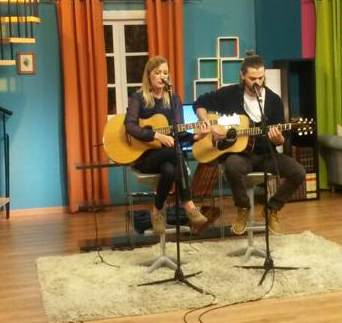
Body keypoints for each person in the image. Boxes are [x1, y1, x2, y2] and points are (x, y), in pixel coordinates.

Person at [193, 52, 305, 235]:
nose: (258, 83)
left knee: (298, 172)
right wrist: (209, 125)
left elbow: (282, 136)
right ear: (242, 75)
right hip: (242, 155)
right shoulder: (230, 94)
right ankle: (243, 208)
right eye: (253, 78)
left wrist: (279, 139)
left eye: (261, 78)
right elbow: (200, 103)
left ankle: (272, 208)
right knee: (232, 165)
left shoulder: (274, 100)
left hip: (267, 154)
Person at [125, 55, 210, 236]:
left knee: (170, 169)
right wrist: (156, 135)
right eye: (158, 73)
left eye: (165, 73)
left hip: (168, 155)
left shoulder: (173, 99)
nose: (162, 77)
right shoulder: (138, 98)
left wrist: (198, 136)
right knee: (174, 152)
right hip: (144, 156)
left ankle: (156, 212)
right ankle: (189, 205)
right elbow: (130, 126)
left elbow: (179, 134)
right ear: (149, 75)